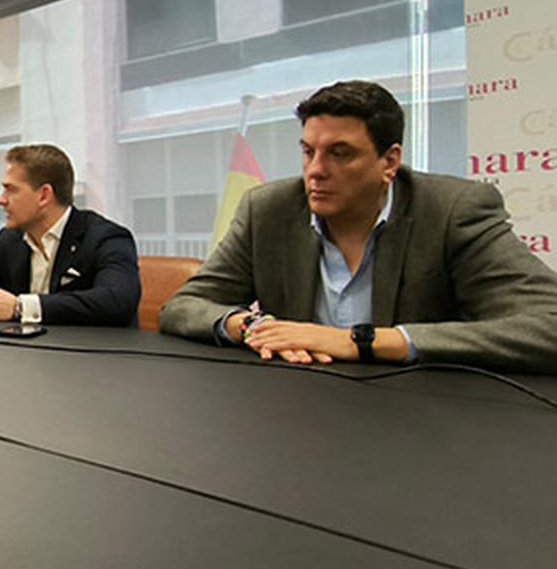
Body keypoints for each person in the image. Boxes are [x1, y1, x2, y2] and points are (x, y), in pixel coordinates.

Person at [159, 80, 557, 371]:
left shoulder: (453, 211)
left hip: (424, 414)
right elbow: (183, 307)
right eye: (308, 151)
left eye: (340, 154)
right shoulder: (268, 210)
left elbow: (547, 326)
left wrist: (363, 342)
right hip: (297, 405)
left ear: (389, 161)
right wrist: (250, 326)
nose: (315, 171)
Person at [0, 144, 140, 326]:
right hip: (25, 358)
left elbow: (118, 301)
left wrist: (19, 307)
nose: (1, 200)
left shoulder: (106, 237)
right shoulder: (9, 240)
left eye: (10, 190)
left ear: (44, 195)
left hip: (94, 360)